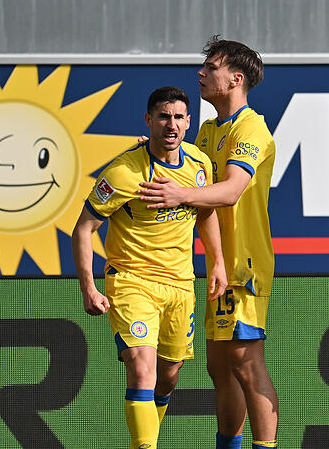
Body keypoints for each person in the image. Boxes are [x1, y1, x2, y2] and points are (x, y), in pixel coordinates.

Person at [137, 36, 278, 449]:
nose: (201, 73)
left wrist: (179, 195)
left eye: (211, 67)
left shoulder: (251, 127)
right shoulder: (207, 130)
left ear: (235, 78)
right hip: (220, 264)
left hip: (245, 263)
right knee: (220, 367)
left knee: (246, 362)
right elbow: (187, 177)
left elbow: (231, 190)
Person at [72, 86, 227, 449]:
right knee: (142, 368)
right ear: (148, 120)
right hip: (132, 281)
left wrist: (216, 260)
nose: (170, 125)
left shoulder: (199, 165)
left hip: (181, 286)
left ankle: (143, 439)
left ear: (189, 123)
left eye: (177, 117)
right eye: (163, 116)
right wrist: (89, 288)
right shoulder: (125, 172)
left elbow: (205, 212)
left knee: (168, 376)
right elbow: (83, 229)